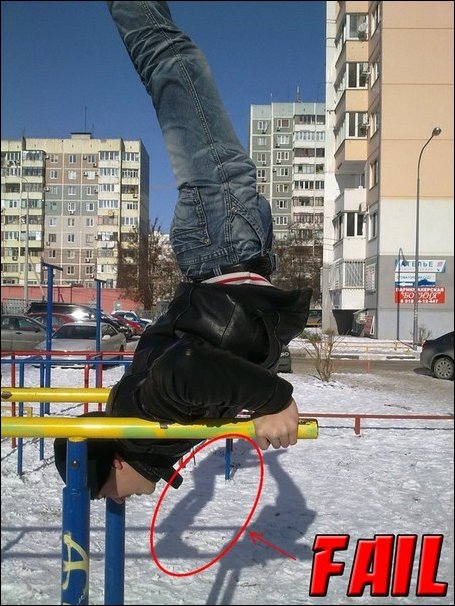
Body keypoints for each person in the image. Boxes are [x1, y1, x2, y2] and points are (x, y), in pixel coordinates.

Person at [54, 0, 312, 504]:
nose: (119, 500)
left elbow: (187, 367)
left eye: (108, 494)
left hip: (222, 240)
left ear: (115, 461)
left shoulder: (141, 423)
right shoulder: (146, 435)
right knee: (175, 69)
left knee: (173, 67)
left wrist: (273, 398)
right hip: (227, 251)